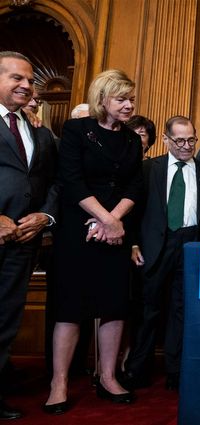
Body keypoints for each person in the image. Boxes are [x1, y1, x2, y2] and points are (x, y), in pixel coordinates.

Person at [44, 69, 143, 414]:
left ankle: (109, 377)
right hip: (78, 228)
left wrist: (114, 221)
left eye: (131, 98)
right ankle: (59, 382)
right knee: (70, 307)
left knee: (115, 305)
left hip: (114, 231)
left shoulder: (132, 139)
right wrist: (107, 219)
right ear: (102, 100)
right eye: (122, 99)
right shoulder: (76, 130)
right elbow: (71, 181)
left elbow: (135, 187)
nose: (129, 104)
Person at [121, 116, 200, 392]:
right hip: (153, 247)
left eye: (191, 140)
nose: (187, 146)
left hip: (190, 246)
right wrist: (134, 243)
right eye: (180, 141)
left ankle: (176, 371)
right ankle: (138, 370)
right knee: (147, 310)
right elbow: (133, 212)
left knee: (180, 310)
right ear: (165, 140)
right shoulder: (149, 169)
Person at [0, 51, 58, 420]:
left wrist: (45, 215)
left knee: (6, 318)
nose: (25, 85)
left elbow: (52, 181)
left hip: (23, 242)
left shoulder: (37, 129)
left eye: (30, 80)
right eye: (16, 78)